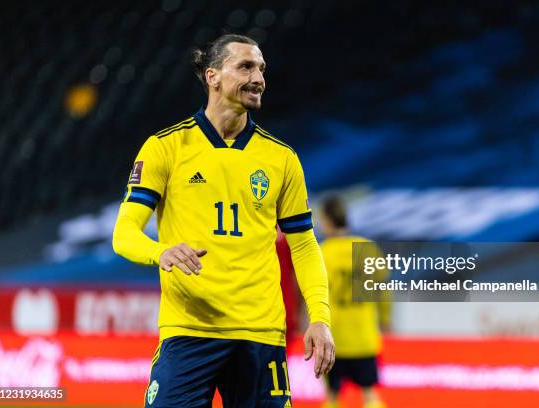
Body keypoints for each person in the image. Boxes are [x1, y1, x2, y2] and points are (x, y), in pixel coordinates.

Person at [112, 33, 334, 407]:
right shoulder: (165, 147)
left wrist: (320, 317)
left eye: (261, 68)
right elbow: (124, 235)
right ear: (212, 76)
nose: (258, 77)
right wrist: (161, 252)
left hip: (260, 334)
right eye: (246, 66)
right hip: (189, 331)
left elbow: (304, 244)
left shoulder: (281, 158)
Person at [318, 195, 389, 408]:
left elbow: (313, 294)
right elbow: (382, 290)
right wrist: (385, 319)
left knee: (332, 396)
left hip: (334, 338)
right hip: (363, 336)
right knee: (370, 395)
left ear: (327, 220)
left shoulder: (323, 252)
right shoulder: (367, 248)